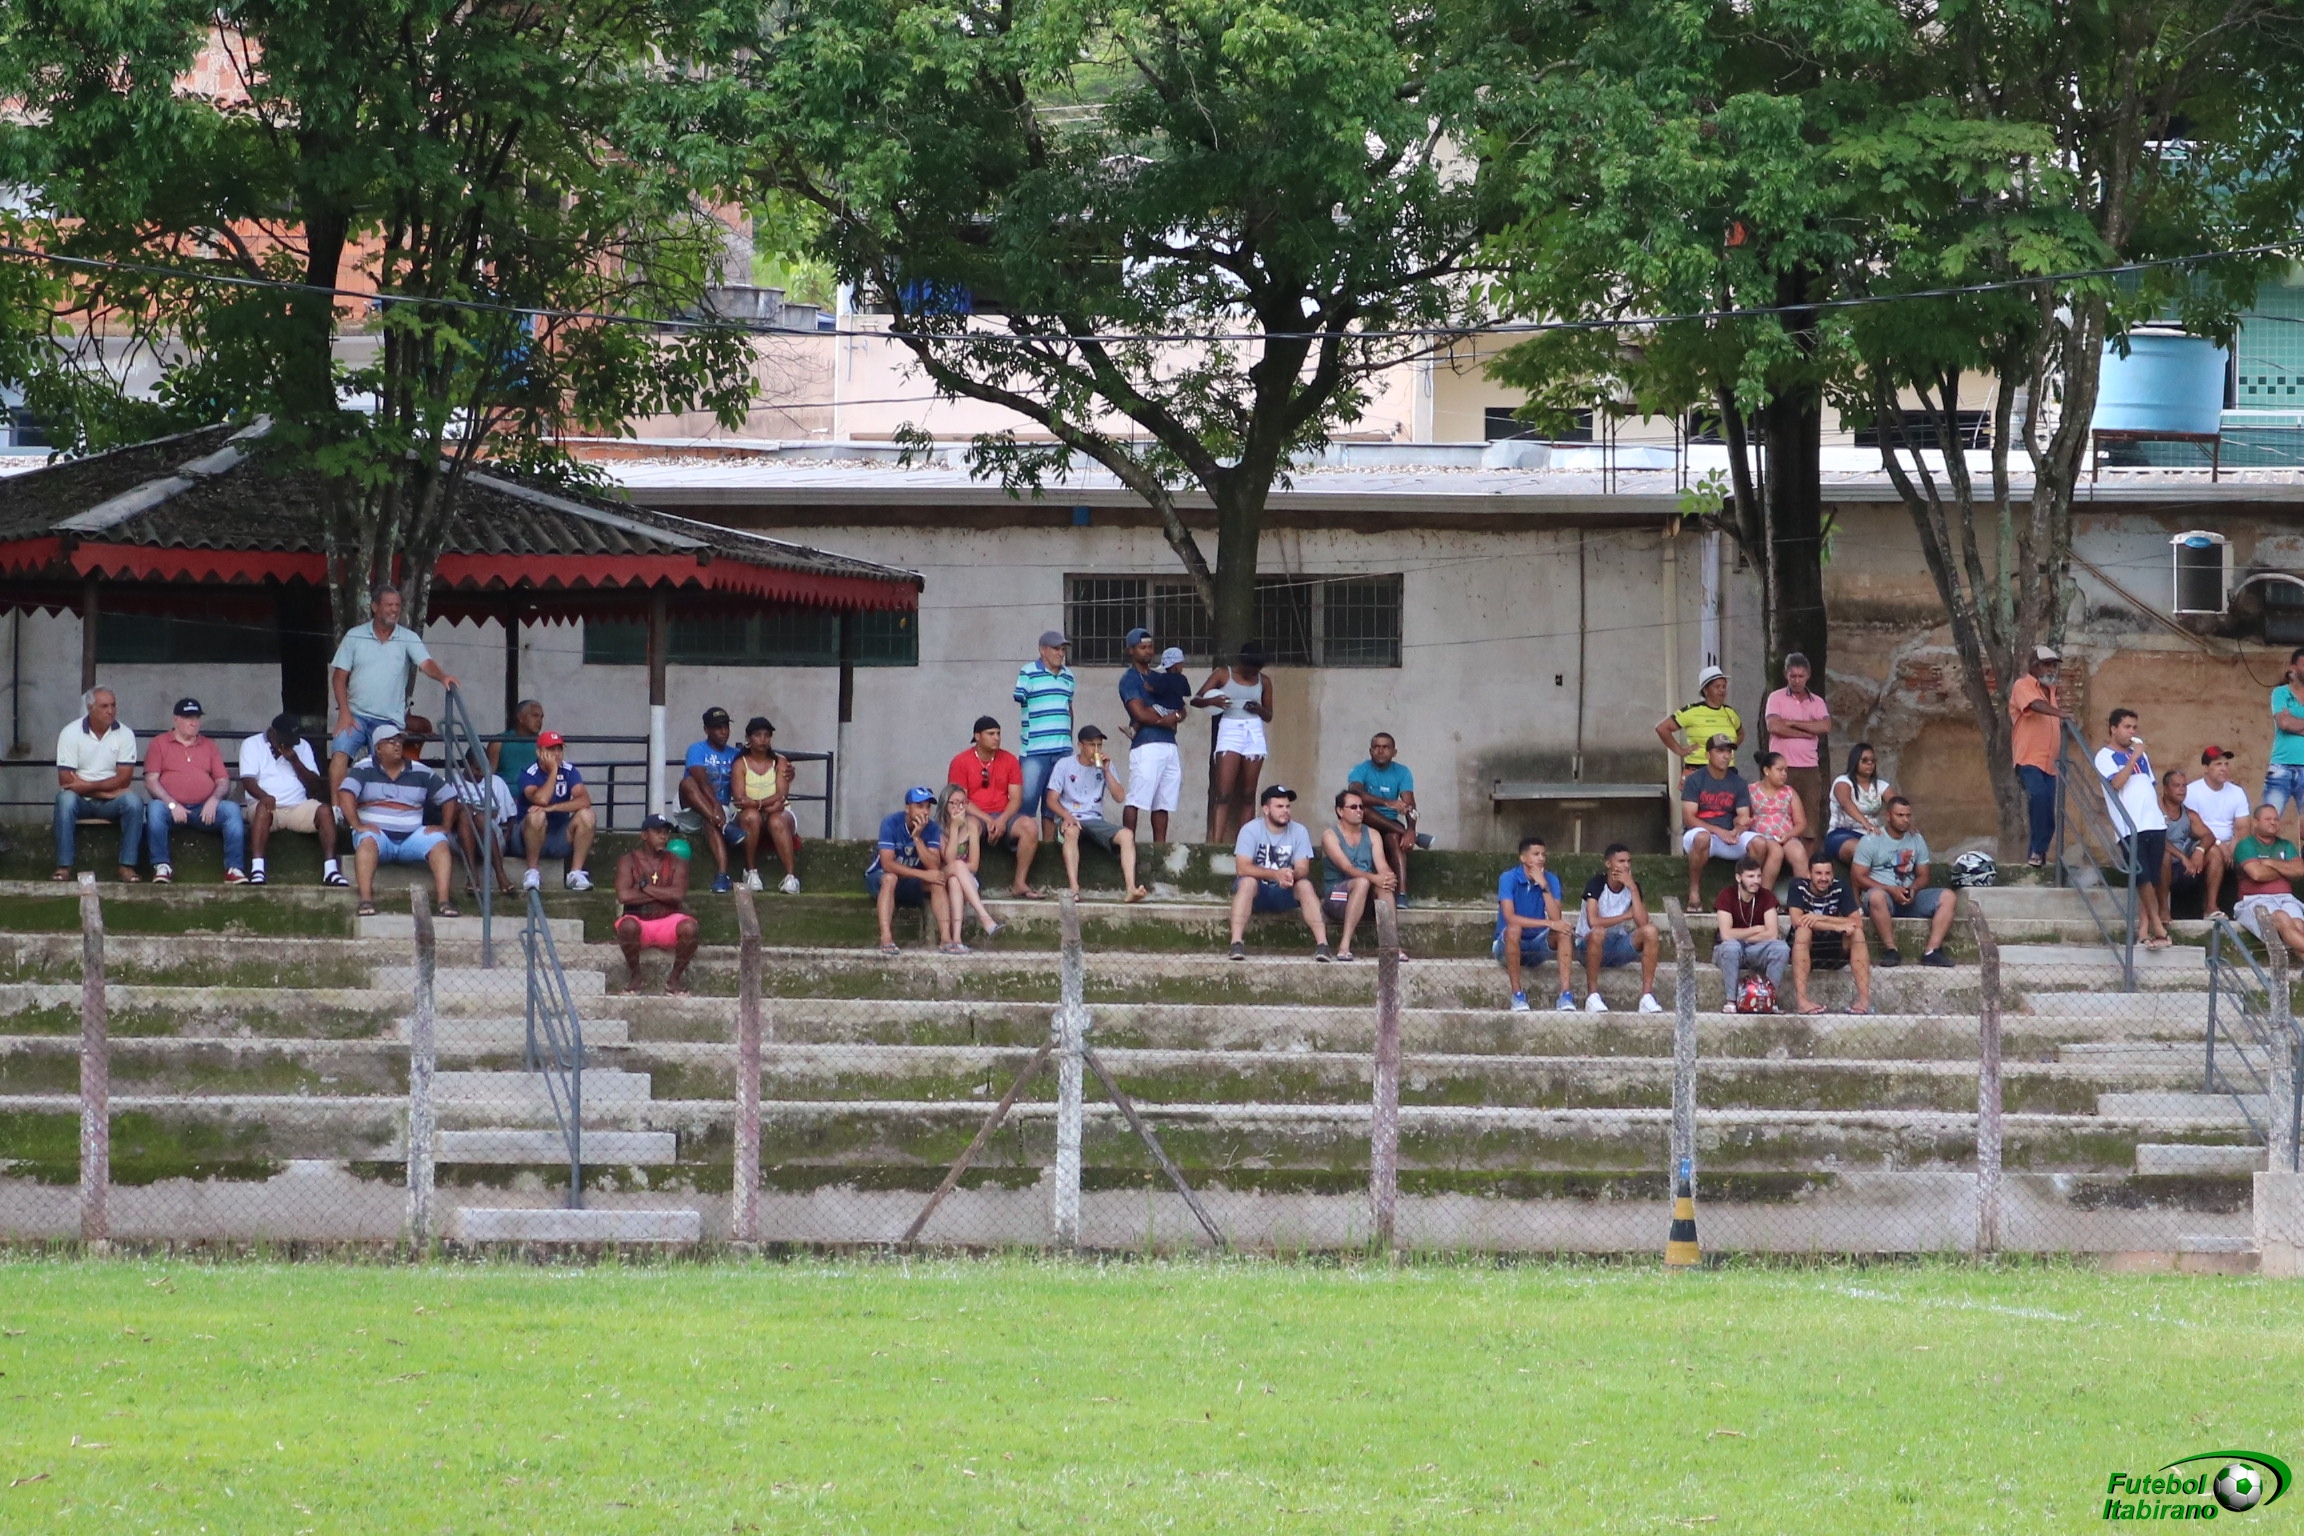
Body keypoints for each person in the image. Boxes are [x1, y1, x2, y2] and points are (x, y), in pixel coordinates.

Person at [327, 584, 458, 799]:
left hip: (388, 719)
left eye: (397, 605)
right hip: (355, 715)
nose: (394, 610)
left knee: (385, 764)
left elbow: (426, 664)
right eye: (389, 605)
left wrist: (443, 677)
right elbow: (339, 678)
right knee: (340, 754)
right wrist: (344, 713)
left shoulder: (408, 637)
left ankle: (379, 811)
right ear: (374, 607)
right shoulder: (354, 636)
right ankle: (337, 810)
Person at [337, 725, 457, 918]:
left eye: (399, 741)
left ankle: (444, 902)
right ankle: (366, 900)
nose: (397, 745)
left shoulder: (421, 771)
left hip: (412, 838)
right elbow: (345, 794)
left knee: (439, 842)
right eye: (391, 741)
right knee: (367, 840)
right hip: (378, 837)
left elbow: (449, 797)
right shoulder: (363, 768)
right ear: (378, 748)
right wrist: (357, 825)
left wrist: (446, 826)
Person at [142, 697, 244, 884]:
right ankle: (161, 866)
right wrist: (172, 804)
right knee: (155, 808)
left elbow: (223, 781)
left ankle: (234, 869)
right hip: (171, 809)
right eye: (188, 717)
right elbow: (151, 781)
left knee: (231, 810)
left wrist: (214, 800)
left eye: (197, 717)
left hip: (203, 809)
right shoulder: (159, 743)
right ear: (176, 719)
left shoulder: (209, 745)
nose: (194, 722)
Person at [52, 685, 145, 882]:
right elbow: (65, 780)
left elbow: (124, 779)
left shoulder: (125, 734)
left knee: (134, 802)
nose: (110, 711)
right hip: (83, 800)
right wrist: (106, 792)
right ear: (90, 708)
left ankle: (127, 866)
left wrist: (86, 787)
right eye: (104, 706)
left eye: (113, 705)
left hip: (107, 802)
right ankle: (64, 867)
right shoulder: (70, 732)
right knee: (65, 800)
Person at [1850, 796, 1957, 967]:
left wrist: (1914, 889)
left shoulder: (1916, 839)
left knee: (1948, 897)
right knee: (1877, 896)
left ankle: (1932, 951)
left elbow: (1923, 875)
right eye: (1900, 815)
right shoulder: (1871, 840)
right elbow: (1858, 877)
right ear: (1888, 816)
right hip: (1883, 898)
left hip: (1909, 896)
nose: (1905, 820)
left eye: (1908, 815)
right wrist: (1890, 890)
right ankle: (1891, 950)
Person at [2095, 708, 2171, 950]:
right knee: (2141, 876)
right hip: (2130, 826)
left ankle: (2143, 931)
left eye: (2134, 727)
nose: (2132, 732)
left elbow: (2150, 787)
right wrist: (2134, 757)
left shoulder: (2141, 755)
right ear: (2113, 728)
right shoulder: (2104, 756)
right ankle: (2157, 923)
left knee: (2152, 878)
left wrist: (2162, 815)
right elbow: (2116, 783)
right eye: (2127, 727)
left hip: (2154, 823)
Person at [1227, 784, 1330, 962]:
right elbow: (1242, 868)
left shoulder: (1299, 831)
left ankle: (1323, 945)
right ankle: (1236, 943)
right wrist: (1275, 874)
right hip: (1258, 892)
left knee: (1305, 885)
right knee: (1247, 882)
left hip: (1286, 890)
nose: (1285, 811)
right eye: (1279, 806)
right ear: (1266, 809)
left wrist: (1290, 875)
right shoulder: (1250, 830)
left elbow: (1303, 868)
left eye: (1287, 806)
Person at [239, 713, 343, 886]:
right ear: (273, 733)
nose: (290, 743)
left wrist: (295, 761)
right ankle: (258, 870)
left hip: (297, 807)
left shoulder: (302, 746)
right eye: (286, 739)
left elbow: (314, 784)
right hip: (267, 807)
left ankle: (331, 871)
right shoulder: (252, 744)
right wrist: (264, 796)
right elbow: (248, 781)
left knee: (325, 811)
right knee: (262, 809)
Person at [947, 715, 1043, 899]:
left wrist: (1002, 820)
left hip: (1003, 815)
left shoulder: (1009, 760)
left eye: (998, 733)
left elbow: (1016, 798)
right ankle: (965, 881)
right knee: (969, 826)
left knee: (1029, 826)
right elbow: (960, 800)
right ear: (977, 736)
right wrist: (989, 820)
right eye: (991, 734)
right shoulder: (960, 761)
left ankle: (1019, 883)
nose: (997, 738)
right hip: (974, 816)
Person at [1046, 725, 1146, 903]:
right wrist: (1067, 816)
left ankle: (1131, 888)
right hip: (1070, 818)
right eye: (1092, 745)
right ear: (1080, 745)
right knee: (1071, 831)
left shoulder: (1105, 766)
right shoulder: (1064, 765)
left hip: (1094, 820)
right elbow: (1051, 800)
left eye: (1099, 745)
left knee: (1127, 835)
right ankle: (1074, 888)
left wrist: (1106, 771)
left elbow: (1120, 797)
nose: (1096, 749)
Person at [1193, 643, 1272, 846]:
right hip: (1230, 728)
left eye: (1257, 670)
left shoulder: (1264, 681)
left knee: (1248, 794)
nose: (1253, 673)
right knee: (1224, 793)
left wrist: (1258, 709)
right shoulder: (1223, 674)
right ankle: (1216, 845)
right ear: (1242, 662)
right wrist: (1213, 702)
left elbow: (1269, 715)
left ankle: (1245, 844)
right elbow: (1196, 699)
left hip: (1253, 730)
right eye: (1250, 669)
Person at [613, 814, 699, 994]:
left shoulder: (678, 862)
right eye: (658, 832)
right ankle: (636, 977)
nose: (663, 836)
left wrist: (644, 887)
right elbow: (624, 896)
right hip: (638, 921)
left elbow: (677, 895)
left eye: (666, 833)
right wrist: (663, 894)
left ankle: (674, 980)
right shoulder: (628, 860)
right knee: (627, 926)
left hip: (668, 921)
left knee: (690, 927)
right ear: (644, 835)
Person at [1118, 628, 1186, 844]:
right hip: (1146, 745)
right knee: (1136, 799)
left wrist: (1175, 716)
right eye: (1142, 647)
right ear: (1130, 650)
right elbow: (1139, 713)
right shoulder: (1129, 679)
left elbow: (1182, 709)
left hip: (1169, 745)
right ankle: (1127, 846)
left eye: (1150, 647)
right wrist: (1165, 720)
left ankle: (1160, 851)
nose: (1148, 651)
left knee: (1163, 803)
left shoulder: (1160, 677)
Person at [1575, 843, 1661, 1013]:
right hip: (1588, 945)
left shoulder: (1633, 887)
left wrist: (1633, 888)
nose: (1626, 865)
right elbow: (1593, 922)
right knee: (1598, 932)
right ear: (1608, 864)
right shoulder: (1596, 884)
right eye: (1621, 861)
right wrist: (1625, 916)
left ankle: (1647, 997)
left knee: (1651, 931)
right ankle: (1592, 996)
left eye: (1629, 861)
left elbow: (1643, 923)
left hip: (1616, 945)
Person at [1786, 850, 1872, 1016]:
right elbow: (1798, 920)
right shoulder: (1798, 886)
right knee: (1803, 931)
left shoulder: (1840, 887)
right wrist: (1836, 925)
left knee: (1857, 933)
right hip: (1806, 950)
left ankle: (1864, 1001)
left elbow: (1857, 922)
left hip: (1833, 949)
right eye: (1818, 873)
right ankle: (1802, 1002)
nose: (1823, 878)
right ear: (1809, 874)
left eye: (1827, 873)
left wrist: (1821, 918)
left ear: (1833, 875)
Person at [1494, 834, 1574, 1012]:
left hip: (1536, 945)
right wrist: (1548, 924)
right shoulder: (1508, 878)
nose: (1541, 858)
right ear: (1523, 858)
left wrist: (1543, 886)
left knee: (1563, 931)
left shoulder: (1550, 879)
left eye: (1543, 854)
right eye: (1536, 854)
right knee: (1514, 930)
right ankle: (1517, 995)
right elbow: (1510, 917)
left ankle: (1565, 995)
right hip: (1506, 945)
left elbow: (1556, 918)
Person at [1319, 788, 1395, 963]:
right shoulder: (1330, 835)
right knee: (1362, 882)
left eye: (1361, 807)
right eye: (1353, 807)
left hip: (1363, 897)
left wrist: (1387, 876)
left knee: (1384, 887)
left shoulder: (1373, 834)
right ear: (1340, 811)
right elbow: (1347, 868)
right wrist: (1374, 878)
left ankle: (1391, 948)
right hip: (1337, 897)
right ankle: (1344, 946)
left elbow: (1382, 864)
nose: (1359, 811)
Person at [869, 786, 949, 954]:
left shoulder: (932, 828)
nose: (925, 811)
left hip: (911, 881)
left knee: (938, 881)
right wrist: (923, 874)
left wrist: (917, 838)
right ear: (907, 808)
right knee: (890, 878)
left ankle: (946, 940)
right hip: (880, 878)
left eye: (927, 807)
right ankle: (886, 939)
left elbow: (934, 865)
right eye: (919, 806)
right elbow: (887, 864)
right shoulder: (890, 823)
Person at [1680, 734, 1756, 907]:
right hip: (1700, 834)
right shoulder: (1694, 780)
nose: (1726, 756)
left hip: (1729, 835)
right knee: (1702, 837)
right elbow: (1689, 818)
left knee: (1759, 844)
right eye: (1720, 751)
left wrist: (1739, 827)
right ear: (1708, 755)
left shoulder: (1739, 782)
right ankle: (1694, 890)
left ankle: (1749, 894)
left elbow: (1742, 815)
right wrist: (1719, 831)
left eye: (1728, 751)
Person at [2008, 646, 2068, 867]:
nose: (2052, 669)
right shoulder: (2022, 685)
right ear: (2034, 666)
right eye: (2047, 664)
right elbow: (2034, 705)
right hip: (2029, 759)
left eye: (2054, 665)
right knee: (2039, 798)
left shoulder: (2050, 691)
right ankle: (2037, 851)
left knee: (2047, 811)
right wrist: (2060, 713)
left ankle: (2038, 854)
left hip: (2050, 764)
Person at [1014, 630, 1077, 838]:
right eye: (1056, 649)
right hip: (1035, 751)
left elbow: (1068, 708)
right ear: (1042, 650)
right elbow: (1019, 697)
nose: (1061, 653)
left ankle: (1049, 849)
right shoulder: (1028, 672)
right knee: (1026, 805)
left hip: (1062, 751)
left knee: (1054, 807)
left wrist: (1068, 740)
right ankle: (1025, 847)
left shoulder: (1069, 676)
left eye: (1063, 649)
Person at [1763, 652, 1831, 841]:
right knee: (1779, 815)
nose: (1797, 680)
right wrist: (1806, 732)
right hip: (1781, 767)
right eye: (1792, 676)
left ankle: (1807, 859)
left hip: (1809, 767)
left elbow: (1825, 726)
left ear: (1808, 675)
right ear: (1786, 675)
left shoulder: (1817, 701)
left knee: (1809, 819)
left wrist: (1792, 722)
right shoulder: (1775, 697)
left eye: (1801, 676)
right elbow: (1774, 726)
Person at [517, 729, 596, 892]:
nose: (556, 753)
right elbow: (541, 800)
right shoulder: (529, 772)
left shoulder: (569, 770)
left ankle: (575, 873)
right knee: (537, 815)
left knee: (587, 815)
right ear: (539, 752)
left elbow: (584, 800)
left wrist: (553, 808)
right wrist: (553, 771)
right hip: (527, 839)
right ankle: (532, 871)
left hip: (558, 835)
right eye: (551, 749)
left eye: (559, 749)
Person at [731, 717, 802, 894]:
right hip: (750, 815)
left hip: (778, 813)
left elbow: (781, 795)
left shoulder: (780, 762)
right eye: (758, 735)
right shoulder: (740, 763)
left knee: (776, 820)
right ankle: (751, 872)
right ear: (748, 738)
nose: (763, 739)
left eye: (767, 735)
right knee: (751, 816)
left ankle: (791, 877)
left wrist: (756, 803)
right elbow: (740, 798)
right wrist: (763, 806)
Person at [1347, 733, 1420, 906]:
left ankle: (1401, 893)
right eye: (1376, 747)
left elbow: (1409, 803)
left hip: (1389, 825)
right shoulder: (1360, 769)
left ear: (1394, 752)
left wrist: (1411, 829)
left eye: (1385, 747)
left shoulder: (1402, 772)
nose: (1380, 751)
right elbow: (1356, 793)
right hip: (1365, 823)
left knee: (1395, 837)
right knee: (1363, 809)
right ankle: (1409, 834)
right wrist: (1387, 802)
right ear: (1370, 751)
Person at [677, 707, 745, 893]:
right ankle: (724, 826)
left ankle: (722, 876)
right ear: (706, 730)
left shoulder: (735, 754)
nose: (723, 732)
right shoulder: (696, 749)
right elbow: (701, 781)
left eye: (726, 727)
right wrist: (715, 806)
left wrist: (785, 770)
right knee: (688, 783)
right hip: (693, 808)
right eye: (717, 728)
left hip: (718, 812)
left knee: (710, 821)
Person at [1713, 855, 1787, 1014]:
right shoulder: (1726, 895)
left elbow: (1772, 934)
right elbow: (1726, 935)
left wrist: (1741, 936)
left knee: (1781, 948)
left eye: (1759, 876)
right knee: (1731, 946)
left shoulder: (1767, 896)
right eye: (1751, 876)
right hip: (1729, 950)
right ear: (1738, 877)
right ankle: (1731, 1001)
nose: (1756, 881)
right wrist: (1757, 929)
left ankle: (1769, 999)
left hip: (1756, 949)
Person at [935, 783, 1003, 951]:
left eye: (963, 803)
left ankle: (957, 939)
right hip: (942, 876)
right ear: (945, 804)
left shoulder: (972, 825)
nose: (959, 807)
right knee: (956, 867)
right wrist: (954, 827)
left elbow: (974, 865)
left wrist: (959, 871)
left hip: (966, 880)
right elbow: (948, 860)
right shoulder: (937, 829)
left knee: (955, 881)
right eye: (954, 803)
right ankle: (985, 918)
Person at [2184, 745, 2251, 917]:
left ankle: (2248, 909)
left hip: (2229, 844)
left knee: (2251, 854)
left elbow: (2242, 829)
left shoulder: (2237, 792)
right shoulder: (2192, 791)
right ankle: (2211, 907)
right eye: (2218, 764)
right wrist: (2220, 845)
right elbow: (2194, 828)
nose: (2224, 768)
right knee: (2215, 852)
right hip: (2201, 842)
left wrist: (2231, 850)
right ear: (2206, 768)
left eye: (2226, 764)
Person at [2234, 802, 2304, 956]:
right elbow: (2257, 874)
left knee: (2299, 924)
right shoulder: (2246, 844)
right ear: (2255, 822)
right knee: (2282, 917)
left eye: (2276, 819)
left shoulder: (2286, 844)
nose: (2273, 822)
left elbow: (2299, 870)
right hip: (2256, 899)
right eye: (2268, 819)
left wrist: (2271, 863)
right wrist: (2286, 869)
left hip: (2286, 898)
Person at [1656, 664, 1742, 768]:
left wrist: (1729, 749)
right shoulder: (1692, 711)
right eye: (1717, 687)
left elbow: (1741, 733)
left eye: (1724, 686)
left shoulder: (1730, 712)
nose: (1722, 690)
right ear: (1705, 690)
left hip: (1727, 769)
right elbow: (1662, 728)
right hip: (1699, 767)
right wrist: (1680, 750)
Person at [1825, 742, 1895, 869]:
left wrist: (1905, 823)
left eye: (1873, 761)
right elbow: (1846, 803)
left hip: (1872, 836)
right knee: (1862, 851)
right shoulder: (1843, 782)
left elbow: (1896, 804)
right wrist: (1866, 823)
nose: (1870, 764)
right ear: (1855, 761)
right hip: (1841, 834)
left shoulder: (1881, 785)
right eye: (1865, 760)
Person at [1747, 750, 1808, 891]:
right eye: (1779, 770)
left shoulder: (1789, 792)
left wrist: (1788, 835)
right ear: (1766, 771)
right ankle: (1764, 895)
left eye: (1786, 770)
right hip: (1762, 837)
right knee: (1776, 852)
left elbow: (1801, 823)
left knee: (1798, 852)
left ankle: (1802, 896)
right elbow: (1744, 815)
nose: (1784, 774)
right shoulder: (1751, 790)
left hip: (1787, 836)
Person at [2160, 768, 2214, 920]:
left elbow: (2209, 835)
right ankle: (2163, 908)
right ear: (2165, 789)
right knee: (2164, 855)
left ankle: (2211, 907)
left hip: (2183, 867)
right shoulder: (2154, 810)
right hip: (2160, 864)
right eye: (2176, 785)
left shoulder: (2189, 814)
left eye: (2184, 786)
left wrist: (2200, 850)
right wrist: (2182, 857)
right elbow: (2157, 838)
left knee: (2214, 852)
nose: (2182, 790)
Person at [2267, 648, 2304, 833]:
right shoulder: (2280, 692)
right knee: (2268, 820)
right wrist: (2289, 723)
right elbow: (2284, 723)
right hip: (2281, 765)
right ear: (2293, 668)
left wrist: (2294, 722)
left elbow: (2289, 723)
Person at [487, 699, 544, 802]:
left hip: (534, 799)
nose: (539, 720)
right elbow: (489, 776)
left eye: (541, 717)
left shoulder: (544, 744)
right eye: (535, 715)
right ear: (520, 717)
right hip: (504, 799)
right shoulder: (499, 742)